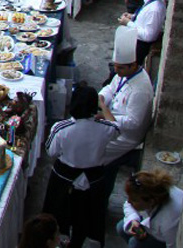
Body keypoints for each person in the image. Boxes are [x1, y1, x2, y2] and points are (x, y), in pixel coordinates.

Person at [42, 84, 121, 248]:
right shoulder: (104, 129)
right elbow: (117, 128)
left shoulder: (61, 129)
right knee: (89, 217)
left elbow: (51, 152)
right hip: (93, 181)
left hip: (64, 179)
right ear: (94, 106)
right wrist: (104, 109)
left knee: (57, 216)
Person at [98, 26, 155, 192]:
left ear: (133, 65)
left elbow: (133, 122)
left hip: (127, 136)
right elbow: (111, 88)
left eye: (120, 68)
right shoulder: (123, 74)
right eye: (115, 66)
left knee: (96, 148)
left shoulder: (140, 90)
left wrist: (105, 115)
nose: (116, 71)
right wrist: (102, 97)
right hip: (111, 119)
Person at [117, 169, 183, 248]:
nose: (129, 202)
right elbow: (128, 204)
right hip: (156, 229)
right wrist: (133, 220)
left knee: (135, 244)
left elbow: (173, 245)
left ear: (151, 201)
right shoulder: (155, 192)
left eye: (134, 200)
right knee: (122, 227)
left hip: (168, 239)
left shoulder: (168, 222)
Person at [118, 0, 166, 64]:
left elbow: (149, 36)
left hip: (140, 47)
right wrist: (133, 16)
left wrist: (128, 23)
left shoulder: (154, 9)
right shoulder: (150, 2)